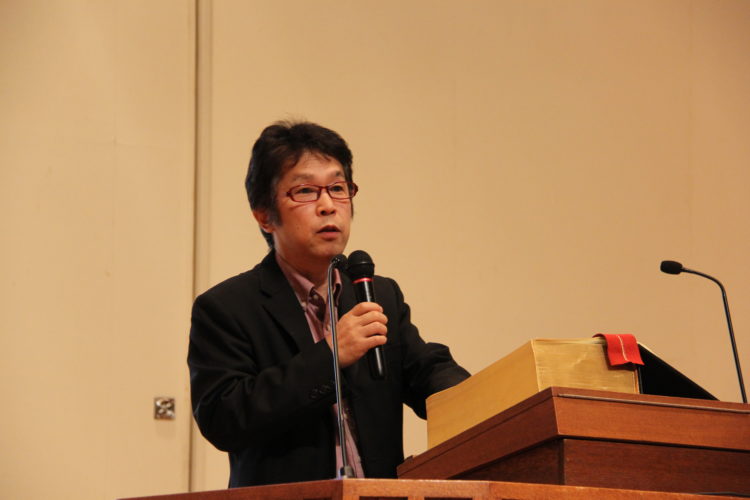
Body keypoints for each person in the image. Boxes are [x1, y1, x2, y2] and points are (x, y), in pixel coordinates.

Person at [188, 120, 469, 487]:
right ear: (264, 215)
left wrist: (487, 398)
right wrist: (331, 356)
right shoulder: (227, 307)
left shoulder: (377, 294)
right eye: (305, 191)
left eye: (338, 188)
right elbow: (223, 419)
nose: (328, 206)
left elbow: (426, 370)